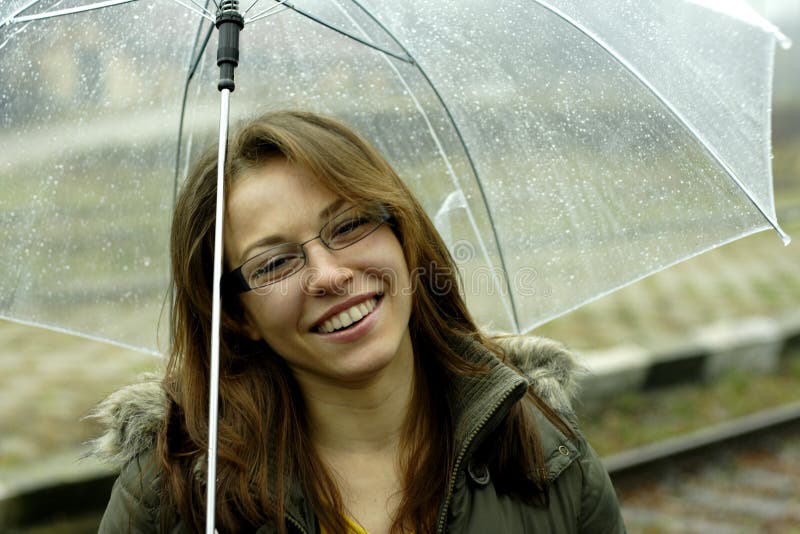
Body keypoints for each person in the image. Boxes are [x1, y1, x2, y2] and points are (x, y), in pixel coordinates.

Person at [92, 110, 626, 533]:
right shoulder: (175, 498)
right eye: (274, 263)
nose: (328, 275)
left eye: (348, 225)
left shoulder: (545, 451)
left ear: (404, 235)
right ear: (237, 317)